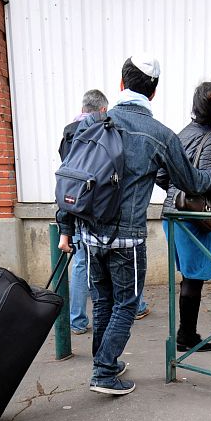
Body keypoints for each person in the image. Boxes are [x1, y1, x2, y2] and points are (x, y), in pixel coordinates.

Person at [57, 53, 211, 396]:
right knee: (126, 305)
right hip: (126, 240)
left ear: (121, 84)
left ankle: (104, 363)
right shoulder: (159, 134)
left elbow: (69, 178)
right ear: (154, 92)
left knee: (103, 302)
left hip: (89, 234)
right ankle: (104, 372)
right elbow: (191, 181)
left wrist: (66, 228)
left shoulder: (91, 123)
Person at [58, 89, 150, 334]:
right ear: (102, 110)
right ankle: (104, 365)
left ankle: (77, 320)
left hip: (74, 209)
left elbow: (68, 177)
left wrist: (64, 229)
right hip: (101, 214)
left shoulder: (70, 132)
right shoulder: (105, 131)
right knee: (120, 293)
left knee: (88, 274)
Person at [161, 82, 211, 352]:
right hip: (191, 215)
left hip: (170, 214)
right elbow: (204, 180)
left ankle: (185, 334)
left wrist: (175, 192)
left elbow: (161, 176)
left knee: (188, 276)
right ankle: (186, 337)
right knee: (193, 277)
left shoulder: (181, 134)